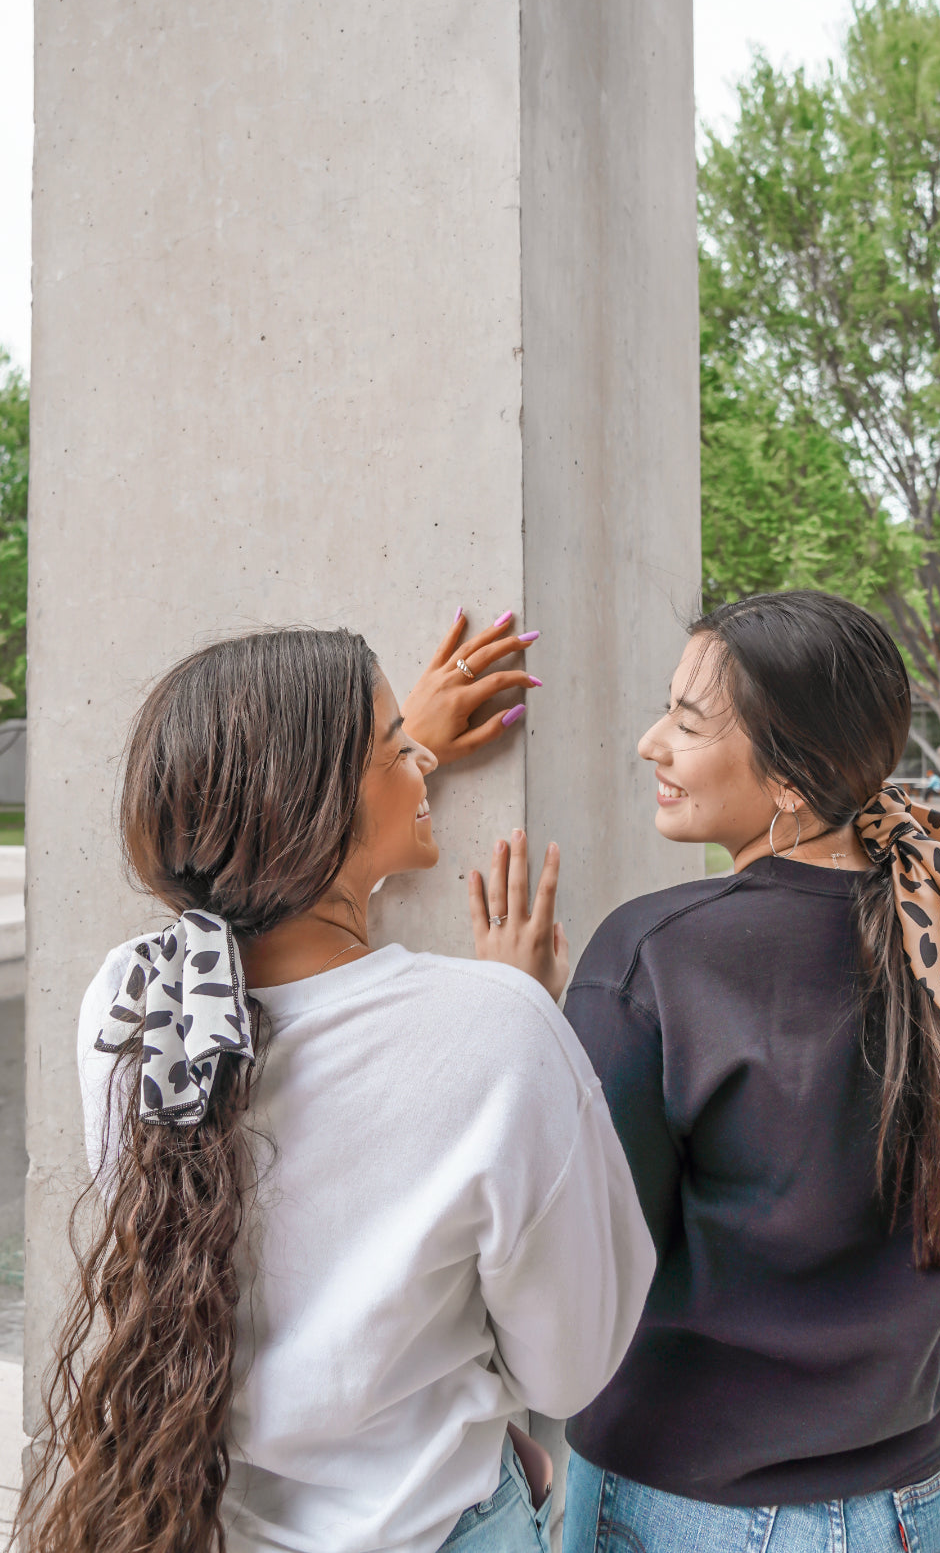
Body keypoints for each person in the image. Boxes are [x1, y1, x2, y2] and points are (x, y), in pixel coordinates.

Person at [19, 620, 655, 1553]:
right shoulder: (498, 1031)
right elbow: (569, 1372)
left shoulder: (133, 999)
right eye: (400, 745)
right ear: (319, 810)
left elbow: (284, 966)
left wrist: (377, 775)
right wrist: (522, 1007)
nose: (424, 759)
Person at [551, 590, 940, 1553]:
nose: (651, 742)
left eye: (686, 723)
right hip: (908, 1493)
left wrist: (518, 1027)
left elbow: (582, 1264)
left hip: (691, 1497)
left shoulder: (656, 957)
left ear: (787, 778)